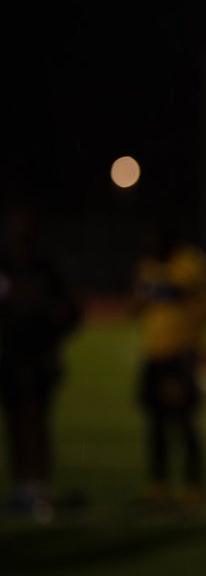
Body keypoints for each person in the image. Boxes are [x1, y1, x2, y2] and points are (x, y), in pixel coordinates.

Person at [132, 211, 206, 511]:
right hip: (154, 353)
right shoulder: (148, 264)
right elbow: (137, 305)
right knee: (155, 423)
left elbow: (200, 301)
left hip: (181, 354)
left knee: (183, 422)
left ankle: (192, 488)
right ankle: (157, 487)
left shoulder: (190, 261)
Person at [0, 205, 82, 520]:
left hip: (39, 358)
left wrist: (52, 329)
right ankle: (22, 487)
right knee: (15, 424)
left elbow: (72, 309)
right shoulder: (5, 264)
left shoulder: (49, 267)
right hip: (9, 357)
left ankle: (40, 488)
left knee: (36, 421)